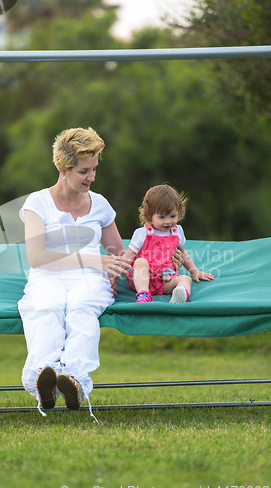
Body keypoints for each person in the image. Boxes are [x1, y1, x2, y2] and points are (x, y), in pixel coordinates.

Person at [18, 129, 184, 420]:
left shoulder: (100, 204)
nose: (91, 177)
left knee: (82, 311)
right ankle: (44, 378)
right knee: (46, 308)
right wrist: (92, 259)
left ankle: (74, 382)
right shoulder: (37, 203)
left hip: (90, 280)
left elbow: (121, 255)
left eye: (94, 169)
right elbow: (37, 257)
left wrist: (168, 261)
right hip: (48, 276)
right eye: (84, 171)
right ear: (62, 168)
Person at [124, 184, 214, 304]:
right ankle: (143, 294)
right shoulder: (142, 233)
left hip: (165, 279)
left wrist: (194, 271)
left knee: (185, 279)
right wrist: (113, 275)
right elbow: (128, 256)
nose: (168, 221)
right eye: (162, 217)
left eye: (172, 216)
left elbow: (183, 252)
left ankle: (180, 295)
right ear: (149, 215)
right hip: (142, 279)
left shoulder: (177, 232)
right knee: (140, 262)